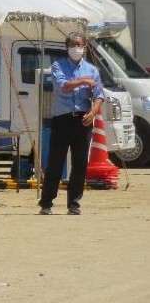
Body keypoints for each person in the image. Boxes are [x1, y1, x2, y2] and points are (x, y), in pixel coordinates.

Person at [39, 31, 103, 216]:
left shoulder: (92, 70)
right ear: (67, 47)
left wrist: (93, 112)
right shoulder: (58, 65)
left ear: (84, 47)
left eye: (80, 45)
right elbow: (63, 85)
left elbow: (99, 95)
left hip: (83, 119)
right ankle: (46, 202)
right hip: (62, 119)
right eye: (73, 44)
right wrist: (82, 81)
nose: (77, 48)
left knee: (80, 163)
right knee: (55, 162)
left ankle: (74, 203)